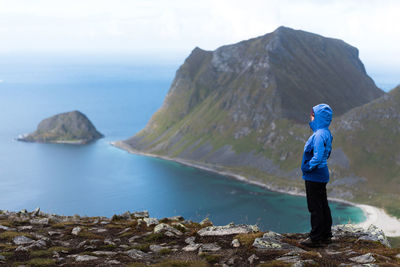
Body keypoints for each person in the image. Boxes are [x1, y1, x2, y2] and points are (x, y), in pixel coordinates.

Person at [300, 103, 333, 247]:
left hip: (314, 175)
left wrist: (308, 167)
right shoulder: (326, 132)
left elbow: (318, 156)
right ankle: (326, 234)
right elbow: (327, 153)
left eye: (312, 114)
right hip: (322, 173)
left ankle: (315, 238)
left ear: (318, 117)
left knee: (314, 207)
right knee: (323, 205)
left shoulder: (319, 134)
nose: (310, 116)